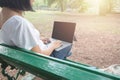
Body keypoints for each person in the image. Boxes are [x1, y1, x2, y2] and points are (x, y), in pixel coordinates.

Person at [0, 0, 72, 79]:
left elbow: (16, 38)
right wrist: (52, 46)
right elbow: (39, 56)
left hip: (22, 56)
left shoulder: (3, 14)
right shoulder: (19, 22)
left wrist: (37, 40)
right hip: (40, 61)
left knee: (61, 46)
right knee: (67, 45)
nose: (34, 0)